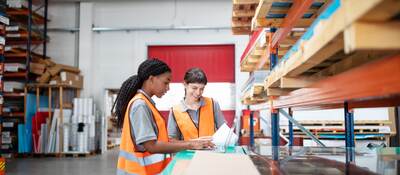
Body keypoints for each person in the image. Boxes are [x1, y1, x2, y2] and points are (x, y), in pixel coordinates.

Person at [113, 59, 214, 175]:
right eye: (166, 82)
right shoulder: (140, 105)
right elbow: (151, 146)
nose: (168, 88)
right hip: (138, 171)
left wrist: (193, 142)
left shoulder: (146, 103)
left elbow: (162, 141)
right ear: (151, 79)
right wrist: (191, 144)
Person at [167, 68, 226, 141]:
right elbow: (172, 141)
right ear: (185, 84)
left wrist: (215, 139)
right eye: (194, 88)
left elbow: (225, 132)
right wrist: (193, 143)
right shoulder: (175, 111)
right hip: (187, 152)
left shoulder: (213, 103)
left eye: (202, 89)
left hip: (211, 151)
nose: (198, 93)